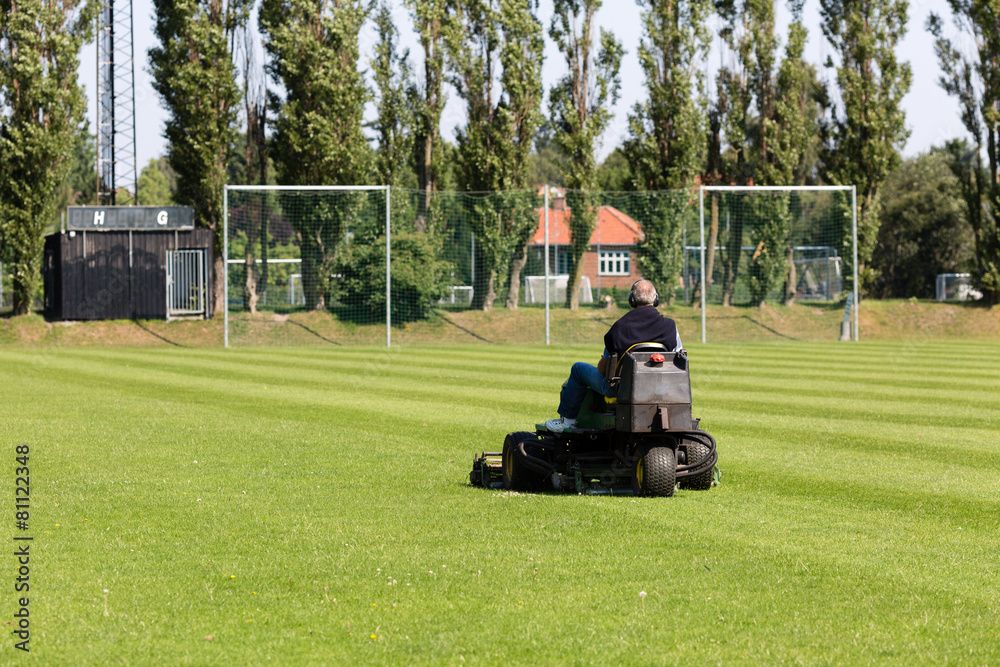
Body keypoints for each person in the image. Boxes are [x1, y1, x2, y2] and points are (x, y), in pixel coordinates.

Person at [545, 279, 682, 433]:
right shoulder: (671, 326)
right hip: (660, 388)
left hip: (621, 390)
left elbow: (603, 369)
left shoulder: (619, 327)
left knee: (578, 369)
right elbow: (678, 360)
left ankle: (568, 421)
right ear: (655, 299)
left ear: (632, 300)